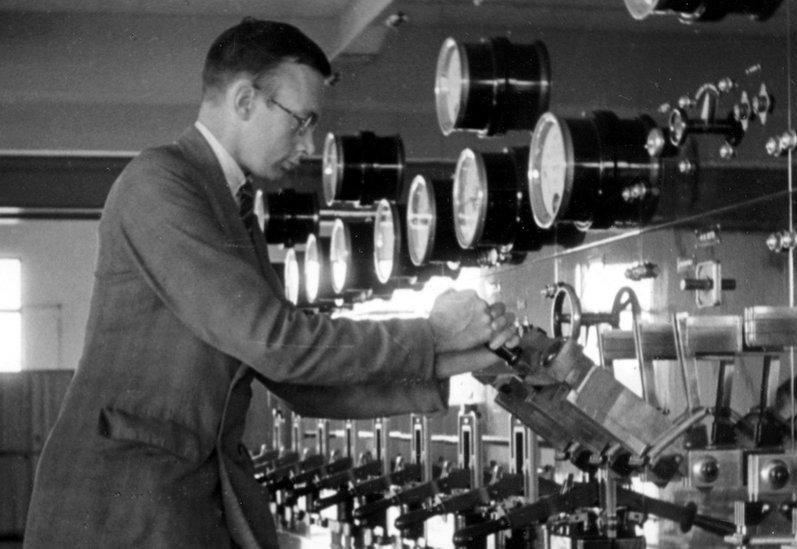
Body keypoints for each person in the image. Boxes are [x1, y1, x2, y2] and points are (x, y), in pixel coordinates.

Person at [24, 18, 518, 548]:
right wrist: (432, 333)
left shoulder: (232, 208)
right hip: (117, 509)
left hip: (176, 501)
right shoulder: (159, 181)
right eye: (300, 122)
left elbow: (296, 381)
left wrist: (458, 360)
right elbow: (276, 342)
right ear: (243, 100)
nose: (308, 144)